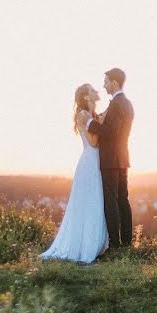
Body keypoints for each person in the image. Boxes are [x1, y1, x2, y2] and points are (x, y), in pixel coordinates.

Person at [40, 84, 109, 263]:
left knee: (96, 203)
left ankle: (95, 242)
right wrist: (102, 122)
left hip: (96, 162)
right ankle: (85, 246)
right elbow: (94, 142)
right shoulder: (83, 115)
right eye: (93, 90)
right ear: (86, 97)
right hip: (89, 164)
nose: (97, 92)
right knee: (89, 203)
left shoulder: (93, 115)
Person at [87, 67, 134, 248]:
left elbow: (110, 132)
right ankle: (127, 242)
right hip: (122, 157)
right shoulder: (127, 103)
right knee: (123, 199)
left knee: (112, 200)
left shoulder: (116, 104)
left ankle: (115, 244)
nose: (104, 86)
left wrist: (90, 123)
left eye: (106, 82)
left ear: (114, 83)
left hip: (110, 159)